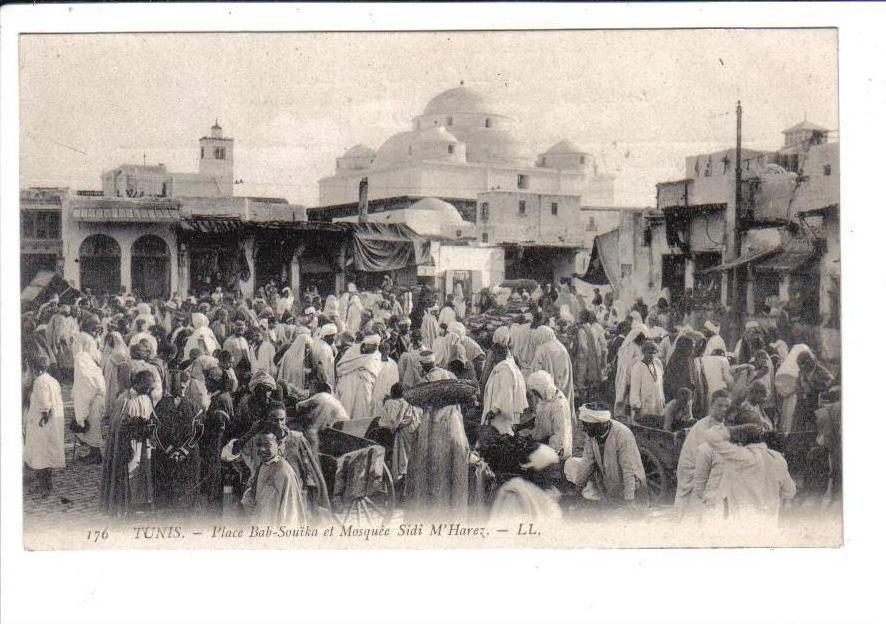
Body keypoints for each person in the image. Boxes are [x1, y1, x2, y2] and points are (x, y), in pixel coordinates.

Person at [404, 351, 470, 519]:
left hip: (435, 426)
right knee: (453, 466)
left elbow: (422, 403)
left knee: (435, 467)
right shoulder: (449, 375)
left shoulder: (426, 382)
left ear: (424, 366)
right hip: (454, 425)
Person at [701, 422, 796, 528]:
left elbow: (710, 435)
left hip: (742, 529)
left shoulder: (739, 456)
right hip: (769, 527)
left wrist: (738, 428)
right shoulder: (777, 458)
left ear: (741, 436)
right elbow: (790, 492)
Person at [564, 405, 648, 511]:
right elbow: (587, 462)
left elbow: (629, 471)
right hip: (609, 481)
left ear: (601, 424)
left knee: (625, 513)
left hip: (630, 487)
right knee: (571, 463)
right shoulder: (592, 433)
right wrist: (577, 490)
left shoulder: (622, 435)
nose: (583, 429)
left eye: (586, 425)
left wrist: (629, 502)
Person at [100, 370, 157, 517]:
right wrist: (134, 427)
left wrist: (148, 427)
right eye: (147, 386)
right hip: (127, 444)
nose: (149, 389)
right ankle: (125, 503)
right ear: (137, 384)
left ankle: (141, 501)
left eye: (150, 387)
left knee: (142, 470)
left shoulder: (146, 398)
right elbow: (118, 426)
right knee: (128, 470)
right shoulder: (124, 400)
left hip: (143, 442)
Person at [674, 388, 731, 517]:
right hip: (692, 471)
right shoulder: (704, 426)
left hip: (706, 465)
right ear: (711, 406)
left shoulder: (721, 423)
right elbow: (704, 456)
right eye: (720, 406)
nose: (724, 409)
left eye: (727, 406)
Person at [241, 424, 309, 525]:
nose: (262, 449)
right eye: (259, 445)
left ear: (278, 443)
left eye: (267, 445)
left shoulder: (284, 473)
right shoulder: (263, 466)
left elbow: (289, 513)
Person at [23, 354, 66, 497]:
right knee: (47, 454)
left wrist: (44, 415)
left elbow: (44, 403)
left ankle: (44, 486)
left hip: (42, 423)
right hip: (52, 423)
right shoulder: (53, 380)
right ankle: (47, 484)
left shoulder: (40, 382)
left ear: (35, 368)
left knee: (41, 454)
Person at [529, 325, 576, 423]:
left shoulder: (542, 349)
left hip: (548, 387)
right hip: (563, 383)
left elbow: (536, 374)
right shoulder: (561, 346)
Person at [378, 382, 422, 484]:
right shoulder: (410, 405)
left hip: (395, 435)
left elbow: (383, 423)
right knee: (407, 455)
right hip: (409, 433)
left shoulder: (389, 403)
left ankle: (399, 475)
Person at [525, 370, 573, 458]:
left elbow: (560, 437)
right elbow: (539, 419)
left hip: (556, 451)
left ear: (541, 388)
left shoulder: (558, 405)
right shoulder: (545, 398)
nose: (534, 394)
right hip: (544, 443)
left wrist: (540, 444)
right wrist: (521, 426)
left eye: (535, 391)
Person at [336, 333, 383, 420]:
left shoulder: (376, 355)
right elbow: (342, 367)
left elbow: (375, 370)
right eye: (374, 345)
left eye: (377, 345)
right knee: (346, 406)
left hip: (365, 385)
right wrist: (356, 368)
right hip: (349, 383)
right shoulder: (352, 351)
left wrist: (363, 370)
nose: (376, 348)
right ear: (367, 344)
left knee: (363, 408)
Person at [482, 338, 528, 426]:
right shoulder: (506, 367)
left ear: (496, 355)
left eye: (492, 356)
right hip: (501, 414)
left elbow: (506, 393)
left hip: (502, 417)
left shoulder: (506, 370)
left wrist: (493, 410)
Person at [72, 348, 107, 463]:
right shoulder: (95, 371)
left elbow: (86, 395)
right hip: (98, 401)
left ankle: (96, 455)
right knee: (93, 429)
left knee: (93, 430)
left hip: (93, 404)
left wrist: (81, 414)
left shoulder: (85, 376)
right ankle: (93, 452)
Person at [574, 310, 608, 405]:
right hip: (593, 357)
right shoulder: (592, 328)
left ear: (583, 318)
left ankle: (583, 402)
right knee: (590, 380)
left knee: (581, 381)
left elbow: (583, 346)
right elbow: (599, 344)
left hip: (583, 359)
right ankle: (590, 400)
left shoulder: (582, 330)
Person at [629, 341, 665, 422]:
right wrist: (636, 407)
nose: (651, 355)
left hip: (656, 403)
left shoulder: (657, 366)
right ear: (644, 352)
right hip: (644, 405)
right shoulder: (638, 367)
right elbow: (634, 389)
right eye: (649, 353)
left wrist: (662, 400)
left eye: (654, 353)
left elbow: (660, 386)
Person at [370, 341, 400, 420]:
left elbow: (395, 381)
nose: (384, 352)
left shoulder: (393, 364)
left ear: (389, 351)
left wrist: (389, 394)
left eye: (386, 350)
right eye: (382, 350)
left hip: (389, 396)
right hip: (375, 395)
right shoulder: (374, 363)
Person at [312, 323, 338, 392]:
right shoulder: (323, 348)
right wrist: (326, 382)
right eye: (333, 336)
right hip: (325, 379)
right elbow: (323, 368)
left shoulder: (324, 344)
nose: (334, 338)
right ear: (327, 336)